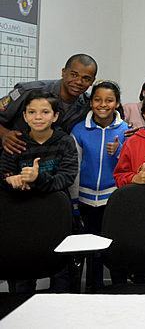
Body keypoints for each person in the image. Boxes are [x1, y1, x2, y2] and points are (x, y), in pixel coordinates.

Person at [0, 90, 78, 293]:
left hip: (56, 217)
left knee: (60, 272)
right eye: (32, 112)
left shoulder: (65, 142)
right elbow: (4, 174)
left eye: (45, 112)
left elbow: (66, 178)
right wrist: (12, 180)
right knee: (22, 276)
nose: (38, 117)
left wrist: (37, 179)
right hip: (22, 216)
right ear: (24, 116)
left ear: (55, 116)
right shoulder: (16, 141)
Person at [70, 81, 129, 290]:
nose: (103, 105)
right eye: (97, 100)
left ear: (117, 103)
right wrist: (74, 202)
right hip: (85, 200)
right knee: (89, 251)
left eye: (109, 100)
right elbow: (74, 167)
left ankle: (119, 292)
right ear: (91, 102)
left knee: (114, 249)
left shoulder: (125, 130)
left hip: (112, 199)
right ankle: (90, 292)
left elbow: (129, 167)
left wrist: (119, 151)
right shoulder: (79, 130)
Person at [0, 54, 97, 154]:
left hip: (52, 162)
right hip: (15, 157)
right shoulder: (28, 91)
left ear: (92, 82)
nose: (79, 82)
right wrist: (4, 134)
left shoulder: (89, 104)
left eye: (86, 78)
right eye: (74, 75)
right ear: (63, 72)